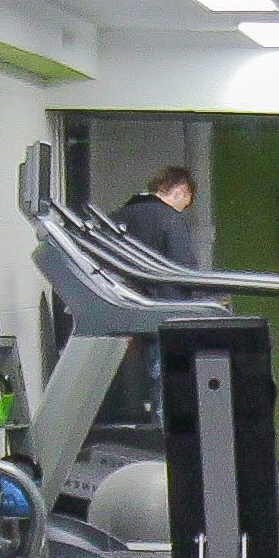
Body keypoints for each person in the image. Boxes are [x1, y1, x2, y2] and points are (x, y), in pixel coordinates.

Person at [93, 162, 194, 429]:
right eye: (185, 204)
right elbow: (185, 271)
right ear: (181, 191)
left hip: (120, 310)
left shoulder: (115, 218)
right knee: (166, 381)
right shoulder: (170, 220)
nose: (183, 210)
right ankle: (164, 436)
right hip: (165, 312)